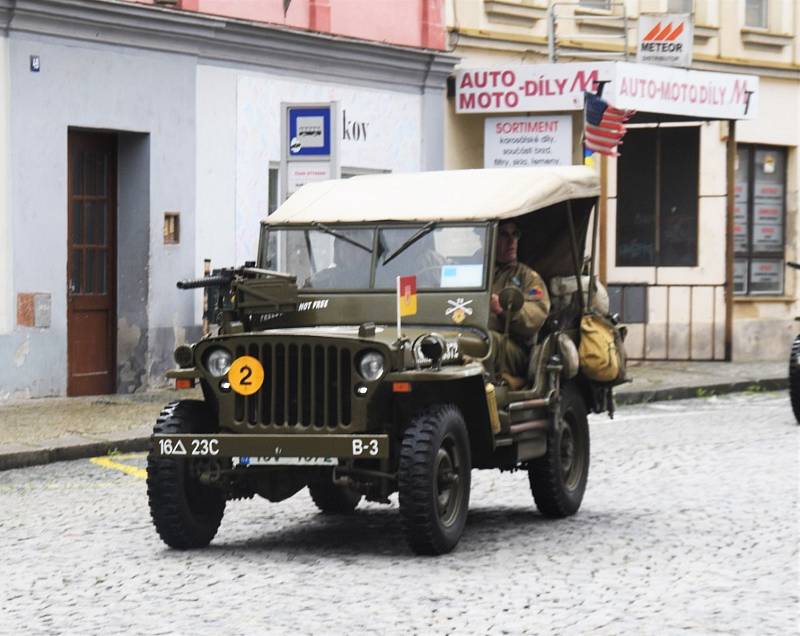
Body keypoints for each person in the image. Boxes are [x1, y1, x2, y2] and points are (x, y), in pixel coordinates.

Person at [488, 220, 551, 381]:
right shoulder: (476, 271)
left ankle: (476, 388)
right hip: (469, 333)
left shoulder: (527, 277)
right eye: (504, 234)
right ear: (490, 237)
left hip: (514, 348)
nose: (512, 241)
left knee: (485, 340)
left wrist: (504, 310)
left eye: (515, 235)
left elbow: (536, 314)